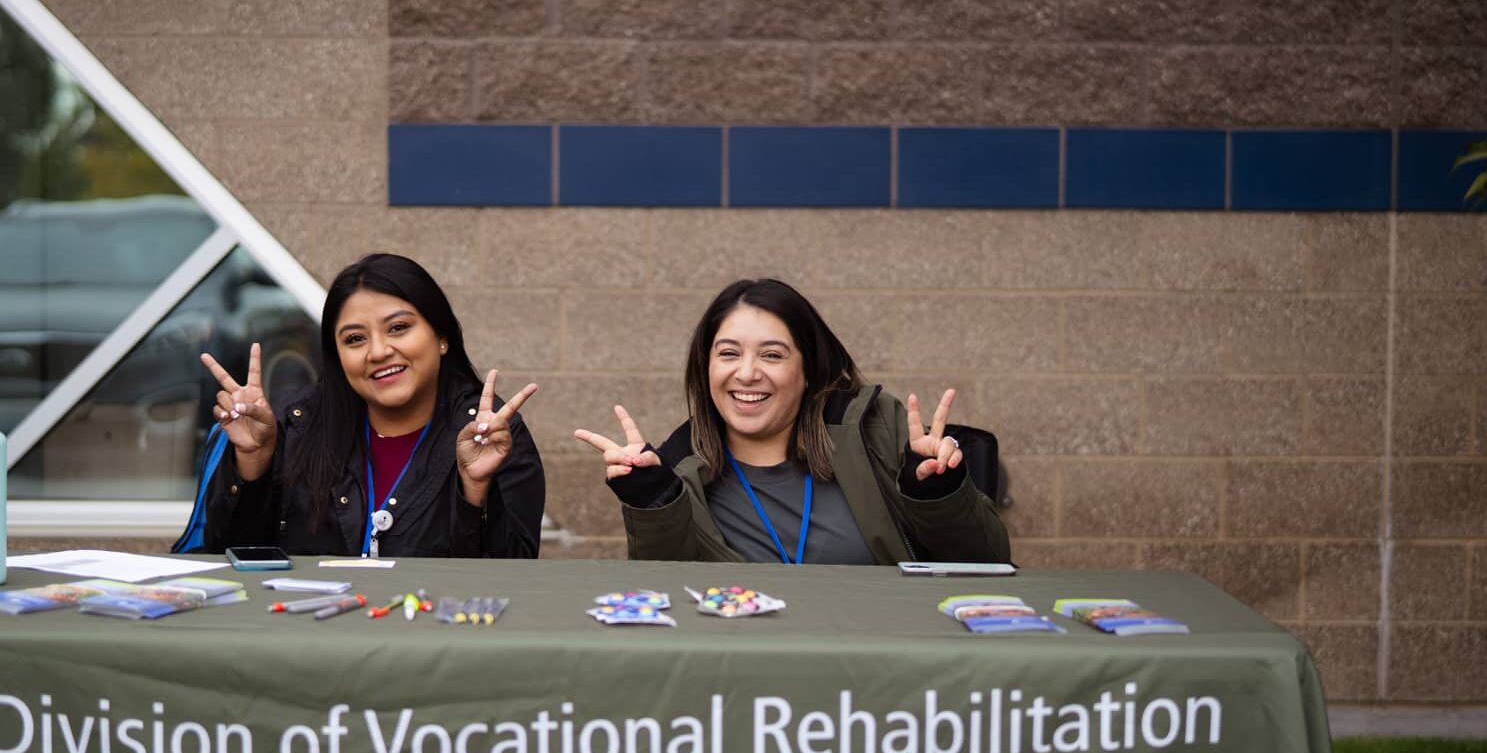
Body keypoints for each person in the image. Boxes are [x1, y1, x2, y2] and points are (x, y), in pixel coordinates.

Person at [575, 278, 1008, 565]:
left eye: (772, 355)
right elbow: (664, 604)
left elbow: (987, 563)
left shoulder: (874, 430)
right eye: (728, 353)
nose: (746, 373)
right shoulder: (678, 468)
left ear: (809, 371)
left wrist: (936, 494)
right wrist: (654, 504)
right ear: (705, 368)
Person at [187, 253, 544, 557]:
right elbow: (230, 559)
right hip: (313, 631)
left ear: (442, 337)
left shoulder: (493, 433)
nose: (378, 352)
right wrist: (253, 462)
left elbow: (511, 577)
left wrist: (475, 492)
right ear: (337, 356)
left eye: (398, 328)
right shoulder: (292, 426)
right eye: (355, 339)